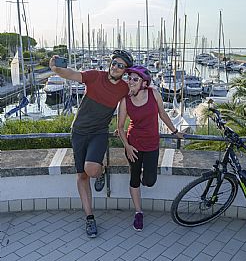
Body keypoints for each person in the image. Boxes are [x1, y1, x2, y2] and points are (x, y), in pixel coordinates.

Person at [49, 49, 133, 237]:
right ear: (110, 64)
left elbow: (140, 92)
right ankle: (90, 218)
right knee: (82, 176)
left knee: (92, 169)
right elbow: (71, 74)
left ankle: (101, 172)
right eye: (115, 63)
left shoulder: (124, 88)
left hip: (98, 132)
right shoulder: (95, 76)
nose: (116, 67)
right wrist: (55, 68)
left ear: (125, 70)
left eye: (121, 65)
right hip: (78, 131)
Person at [117, 65, 184, 231]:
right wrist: (127, 146)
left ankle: (143, 176)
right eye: (129, 78)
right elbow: (120, 127)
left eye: (134, 79)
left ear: (144, 83)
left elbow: (163, 114)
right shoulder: (125, 101)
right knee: (134, 178)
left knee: (150, 181)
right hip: (134, 145)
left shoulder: (154, 94)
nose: (130, 81)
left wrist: (175, 132)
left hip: (152, 144)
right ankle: (138, 213)